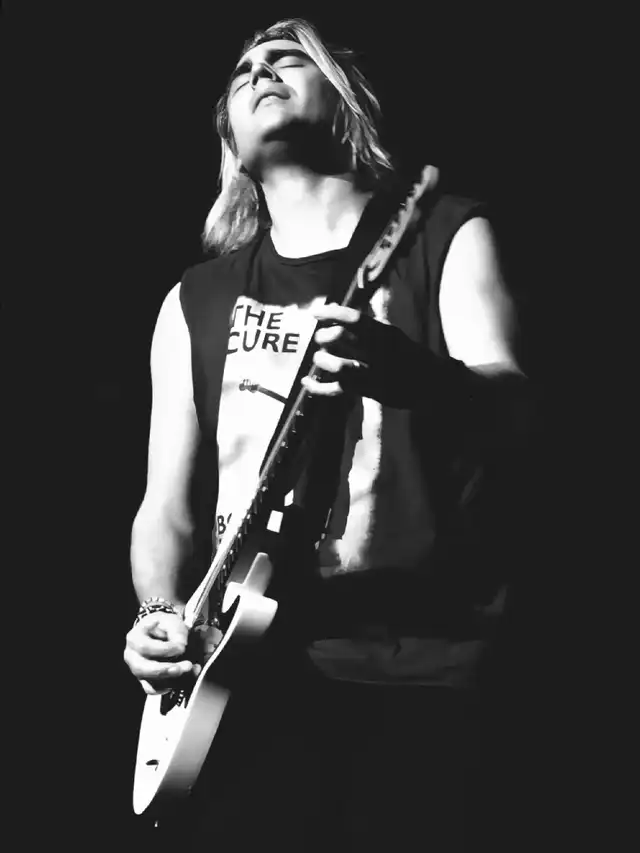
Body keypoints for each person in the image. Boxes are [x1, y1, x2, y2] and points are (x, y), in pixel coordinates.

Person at [123, 17, 533, 853]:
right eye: (243, 69)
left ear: (344, 104)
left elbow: (520, 411)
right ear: (231, 145)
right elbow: (165, 504)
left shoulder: (442, 232)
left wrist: (415, 376)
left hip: (423, 665)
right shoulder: (193, 299)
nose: (259, 70)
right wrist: (161, 612)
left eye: (288, 59)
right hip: (242, 681)